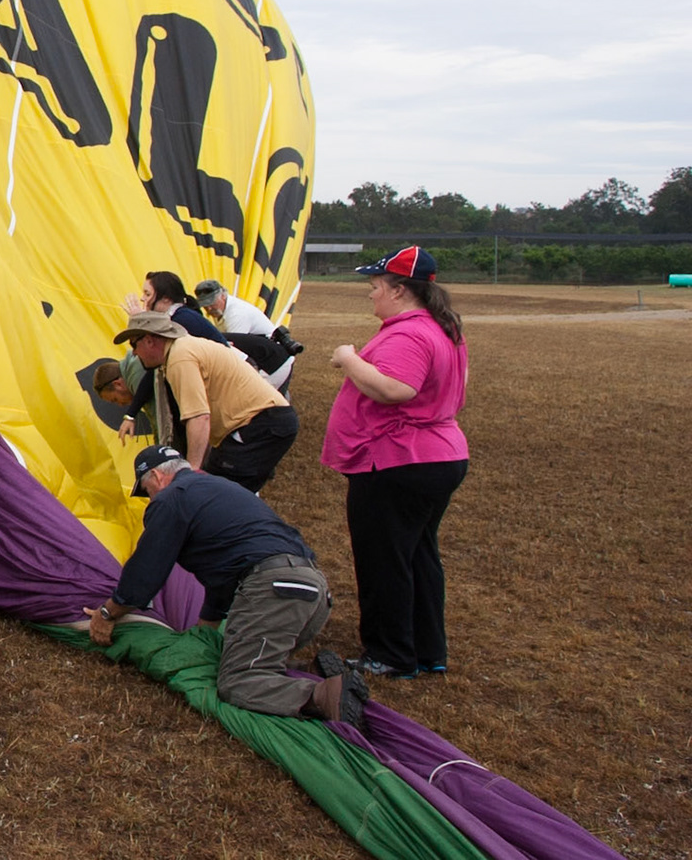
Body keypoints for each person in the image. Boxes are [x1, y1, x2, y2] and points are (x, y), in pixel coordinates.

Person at [86, 445, 367, 727]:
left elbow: (146, 570)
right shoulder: (217, 489)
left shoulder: (171, 499)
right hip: (313, 590)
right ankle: (313, 671)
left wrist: (109, 613)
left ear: (158, 477)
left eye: (146, 490)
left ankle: (323, 695)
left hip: (275, 590)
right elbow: (223, 577)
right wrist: (204, 632)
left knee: (237, 683)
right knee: (243, 660)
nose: (149, 498)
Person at [323, 246, 470, 679]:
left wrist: (349, 359)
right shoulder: (443, 329)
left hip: (398, 460)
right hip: (436, 455)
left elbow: (396, 389)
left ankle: (388, 654)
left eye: (376, 287)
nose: (371, 296)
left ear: (401, 290)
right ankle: (427, 649)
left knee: (384, 557)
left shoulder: (408, 333)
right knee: (418, 554)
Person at [115, 310, 299, 492]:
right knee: (225, 495)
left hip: (258, 424)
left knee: (210, 495)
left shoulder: (180, 358)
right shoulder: (182, 348)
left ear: (149, 340)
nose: (134, 353)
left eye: (134, 344)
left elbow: (199, 417)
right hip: (265, 422)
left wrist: (190, 472)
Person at [194, 278, 299, 392]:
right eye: (205, 305)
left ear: (223, 296)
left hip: (272, 362)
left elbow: (234, 352)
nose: (209, 308)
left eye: (211, 303)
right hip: (264, 357)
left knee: (264, 400)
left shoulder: (236, 314)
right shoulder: (223, 311)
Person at [123, 270, 226, 343]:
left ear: (166, 298)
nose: (142, 298)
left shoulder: (182, 319)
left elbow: (154, 353)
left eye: (147, 294)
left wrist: (141, 321)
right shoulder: (178, 315)